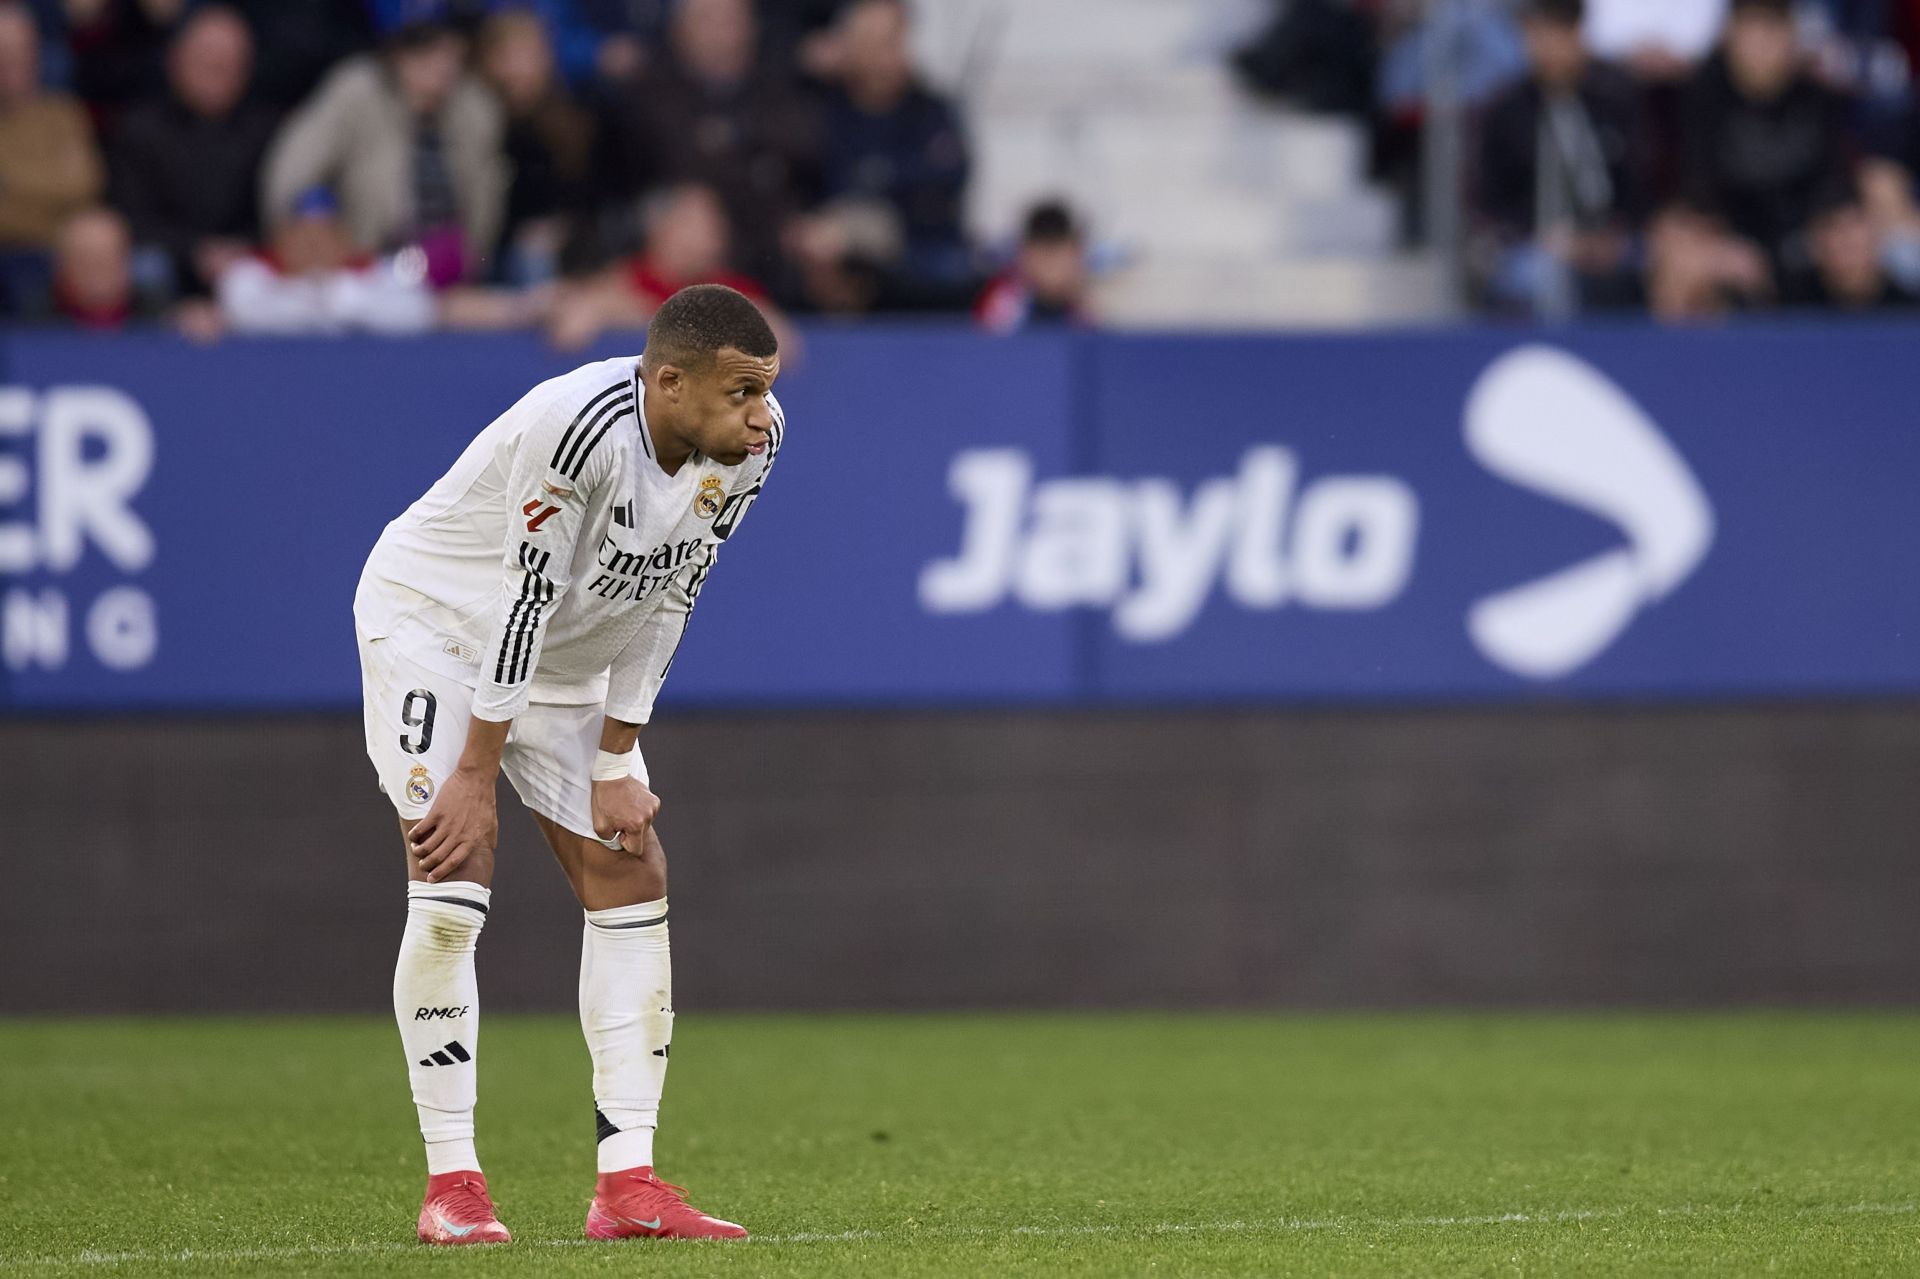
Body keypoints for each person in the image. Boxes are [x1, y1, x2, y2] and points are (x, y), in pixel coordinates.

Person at [353, 283, 781, 1246]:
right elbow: (522, 597)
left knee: (633, 869)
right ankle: (453, 1185)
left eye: (766, 392)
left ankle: (628, 1185)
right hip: (440, 627)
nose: (761, 416)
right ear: (669, 381)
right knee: (451, 868)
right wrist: (473, 770)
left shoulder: (751, 450)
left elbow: (671, 593)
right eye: (742, 392)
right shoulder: (577, 427)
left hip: (566, 655)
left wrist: (618, 754)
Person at [262, 16, 506, 286]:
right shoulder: (357, 91)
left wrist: (474, 257)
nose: (442, 65)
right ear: (398, 55)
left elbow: (487, 199)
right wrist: (311, 221)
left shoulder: (475, 107)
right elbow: (293, 169)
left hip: (444, 267)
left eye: (451, 54)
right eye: (427, 52)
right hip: (365, 265)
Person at [596, 0, 820, 283]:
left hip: (767, 231)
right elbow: (661, 161)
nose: (720, 33)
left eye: (731, 21)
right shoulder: (650, 88)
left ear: (751, 27)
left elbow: (801, 150)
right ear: (680, 30)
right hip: (678, 229)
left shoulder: (778, 84)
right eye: (708, 20)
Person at [1475, 0, 1646, 315]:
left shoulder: (1617, 96)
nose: (1551, 46)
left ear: (1580, 35)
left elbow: (1643, 177)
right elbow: (1487, 202)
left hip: (1617, 238)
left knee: (1665, 263)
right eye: (1540, 33)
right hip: (1535, 245)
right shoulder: (1505, 111)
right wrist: (1544, 239)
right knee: (1545, 278)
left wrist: (1616, 232)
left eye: (1561, 32)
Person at [109, 5, 277, 297]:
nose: (218, 71)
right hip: (165, 268)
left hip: (249, 271)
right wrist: (194, 252)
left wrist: (243, 249)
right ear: (176, 60)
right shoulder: (140, 129)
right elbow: (131, 215)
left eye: (229, 64)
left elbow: (277, 211)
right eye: (207, 60)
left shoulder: (267, 132)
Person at [547, 182, 776, 349]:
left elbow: (779, 341)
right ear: (662, 227)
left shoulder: (731, 289)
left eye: (716, 225)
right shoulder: (622, 280)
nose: (713, 237)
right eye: (695, 224)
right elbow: (571, 322)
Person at [0, 2, 105, 253]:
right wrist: (55, 199)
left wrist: (15, 189)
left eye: (24, 51)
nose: (15, 63)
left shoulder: (65, 113)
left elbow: (87, 186)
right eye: (4, 54)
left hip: (70, 249)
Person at [975, 200, 1092, 332]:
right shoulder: (1002, 301)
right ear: (1025, 255)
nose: (1051, 269)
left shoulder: (1092, 303)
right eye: (1045, 257)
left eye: (1058, 256)